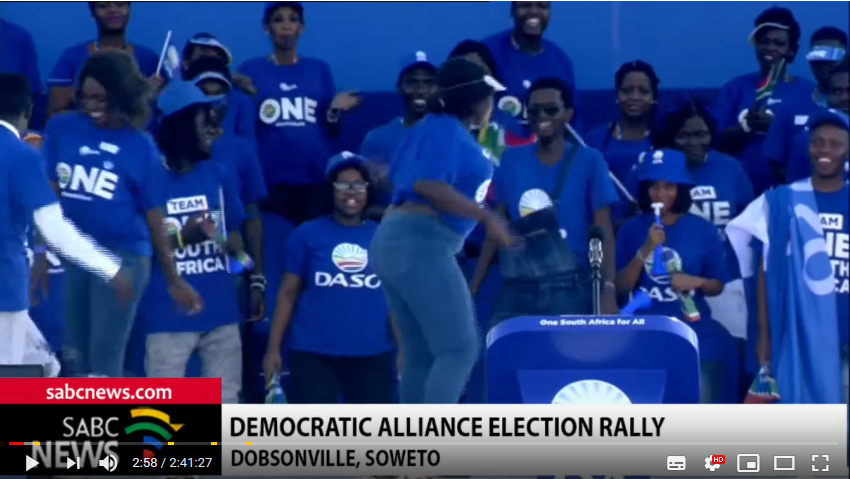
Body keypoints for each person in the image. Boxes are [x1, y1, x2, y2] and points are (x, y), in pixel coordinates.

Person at [37, 51, 200, 377]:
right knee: (74, 354)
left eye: (101, 98)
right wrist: (42, 253)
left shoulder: (140, 146)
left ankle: (110, 425)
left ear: (120, 95)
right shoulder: (61, 128)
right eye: (85, 97)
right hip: (74, 256)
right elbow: (48, 196)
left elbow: (155, 218)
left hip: (123, 258)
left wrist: (172, 277)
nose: (92, 105)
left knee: (104, 357)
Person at [370, 58, 512, 404]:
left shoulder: (426, 126)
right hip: (423, 241)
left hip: (392, 237)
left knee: (422, 354)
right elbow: (428, 184)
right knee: (459, 349)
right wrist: (486, 217)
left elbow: (394, 177)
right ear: (475, 99)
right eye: (488, 97)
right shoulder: (448, 131)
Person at [0, 72, 130, 374]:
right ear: (27, 112)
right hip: (4, 293)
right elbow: (55, 231)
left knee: (45, 367)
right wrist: (110, 268)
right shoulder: (21, 156)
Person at [471, 77, 619, 326]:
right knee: (504, 359)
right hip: (517, 285)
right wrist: (473, 287)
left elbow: (602, 229)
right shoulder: (511, 160)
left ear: (568, 114)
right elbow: (496, 227)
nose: (542, 116)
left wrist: (608, 289)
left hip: (569, 287)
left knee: (564, 362)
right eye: (534, 110)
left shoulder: (589, 160)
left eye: (551, 109)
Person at [727, 109, 849, 403]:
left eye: (835, 144)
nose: (825, 150)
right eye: (818, 142)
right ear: (807, 147)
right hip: (797, 338)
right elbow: (763, 273)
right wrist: (763, 337)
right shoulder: (781, 201)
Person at [139, 81, 248, 403]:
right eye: (204, 121)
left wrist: (231, 248)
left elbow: (240, 252)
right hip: (167, 314)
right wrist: (184, 236)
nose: (212, 129)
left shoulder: (220, 174)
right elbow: (142, 245)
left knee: (227, 402)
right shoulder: (148, 177)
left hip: (222, 313)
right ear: (183, 126)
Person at [263, 152, 397, 404]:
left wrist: (406, 352)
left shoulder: (384, 237)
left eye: (358, 185)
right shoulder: (305, 235)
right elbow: (287, 293)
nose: (351, 192)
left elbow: (394, 301)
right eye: (343, 185)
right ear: (330, 190)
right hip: (313, 353)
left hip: (372, 352)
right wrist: (273, 349)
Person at [645, 101, 756, 401]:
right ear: (671, 138)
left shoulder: (729, 167)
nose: (694, 142)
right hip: (677, 288)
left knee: (734, 363)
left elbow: (749, 219)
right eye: (685, 136)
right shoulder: (661, 173)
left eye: (701, 134)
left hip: (727, 281)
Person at [615, 149, 731, 403]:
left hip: (693, 337)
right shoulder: (631, 229)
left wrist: (697, 281)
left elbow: (718, 285)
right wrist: (645, 249)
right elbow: (621, 286)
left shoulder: (702, 230)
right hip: (642, 338)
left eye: (669, 186)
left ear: (681, 189)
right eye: (654, 186)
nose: (660, 194)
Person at [712, 6, 817, 195]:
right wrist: (745, 128)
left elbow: (817, 148)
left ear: (792, 50)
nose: (770, 47)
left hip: (794, 194)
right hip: (742, 194)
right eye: (764, 41)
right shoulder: (735, 89)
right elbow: (713, 142)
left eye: (778, 43)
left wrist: (777, 130)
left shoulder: (810, 93)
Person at [761, 29, 848, 183]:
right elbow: (775, 163)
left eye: (830, 62)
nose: (823, 68)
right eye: (818, 63)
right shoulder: (788, 108)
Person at [47, 1, 159, 116]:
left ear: (129, 11)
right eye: (103, 6)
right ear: (92, 14)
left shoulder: (149, 59)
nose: (113, 10)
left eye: (120, 4)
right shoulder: (71, 57)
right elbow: (55, 115)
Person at [482, 1, 579, 131]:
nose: (534, 11)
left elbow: (574, 121)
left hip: (546, 148)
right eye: (526, 5)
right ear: (512, 10)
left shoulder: (561, 60)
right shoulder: (487, 52)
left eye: (542, 6)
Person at [586, 60, 658, 222]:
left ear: (654, 97)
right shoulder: (595, 139)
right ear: (617, 95)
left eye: (643, 91)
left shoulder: (664, 138)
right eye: (626, 90)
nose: (635, 97)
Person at [360, 52, 437, 167]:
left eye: (428, 83)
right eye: (412, 82)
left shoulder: (456, 138)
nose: (421, 91)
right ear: (399, 87)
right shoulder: (377, 139)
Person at [182, 33, 256, 142]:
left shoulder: (240, 100)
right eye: (204, 56)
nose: (210, 62)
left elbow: (248, 144)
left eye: (218, 58)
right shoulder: (169, 98)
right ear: (185, 62)